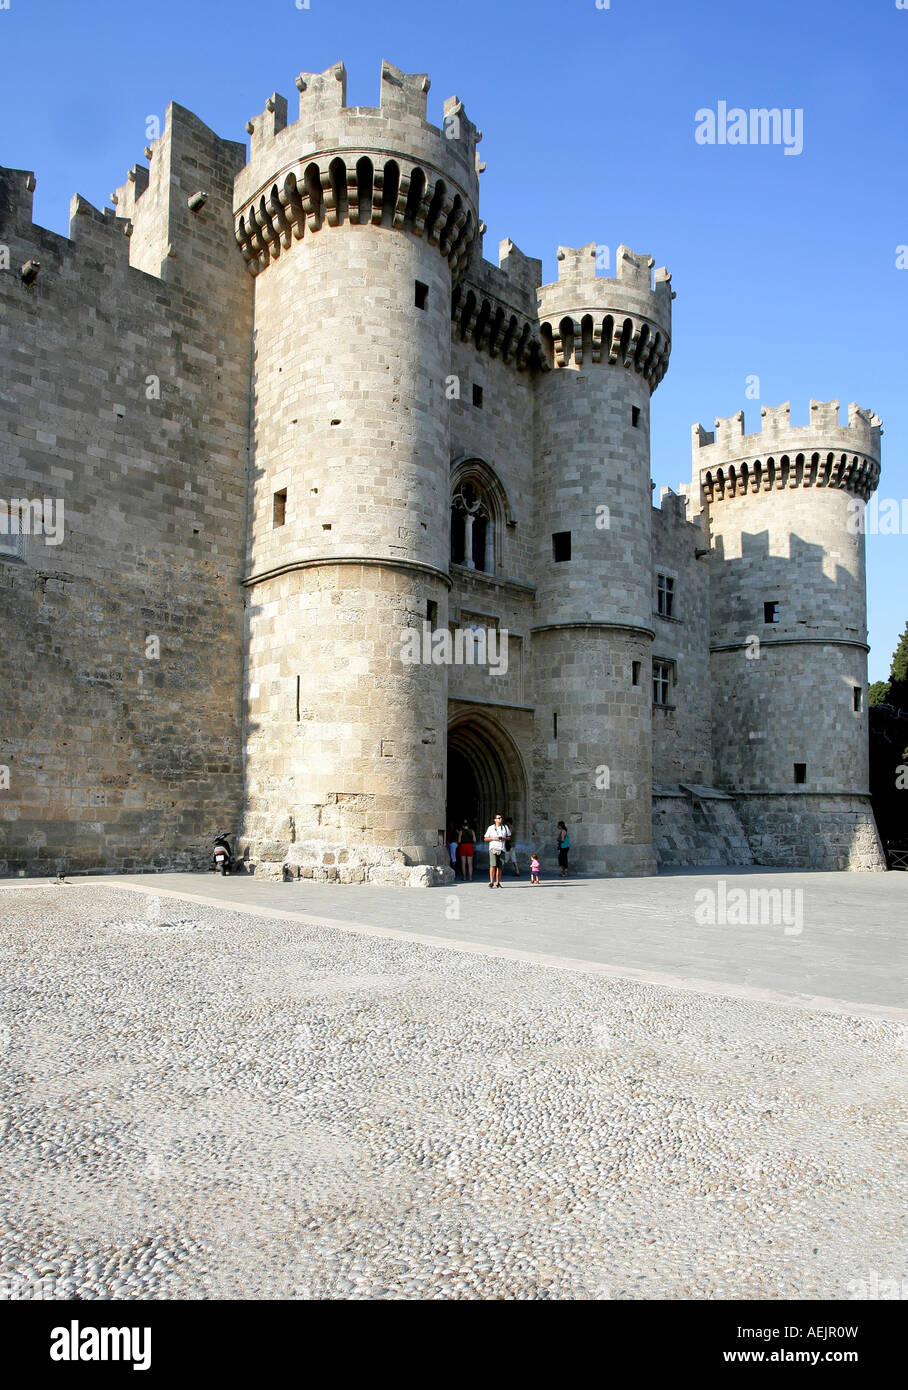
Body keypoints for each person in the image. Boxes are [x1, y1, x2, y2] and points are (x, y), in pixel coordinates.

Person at [484, 812, 510, 889]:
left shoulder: (505, 827)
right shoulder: (490, 828)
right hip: (493, 848)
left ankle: (498, 882)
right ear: (495, 820)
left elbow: (509, 837)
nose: (500, 819)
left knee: (500, 866)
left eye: (501, 818)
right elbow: (485, 838)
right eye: (499, 818)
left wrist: (503, 838)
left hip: (502, 848)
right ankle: (491, 882)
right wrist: (494, 838)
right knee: (493, 865)